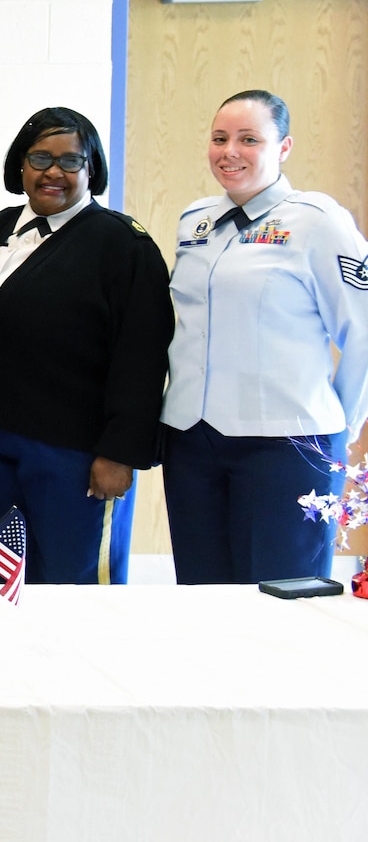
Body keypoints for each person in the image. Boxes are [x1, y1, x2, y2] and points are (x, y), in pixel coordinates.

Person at [0, 107, 173, 585]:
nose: (53, 171)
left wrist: (121, 454)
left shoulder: (123, 247)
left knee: (75, 588)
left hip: (76, 457)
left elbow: (142, 359)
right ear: (20, 165)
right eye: (40, 157)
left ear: (92, 169)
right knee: (12, 583)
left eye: (71, 161)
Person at [161, 90, 368, 584]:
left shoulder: (317, 222)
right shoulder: (197, 221)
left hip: (287, 443)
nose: (229, 151)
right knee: (202, 591)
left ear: (284, 146)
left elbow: (362, 330)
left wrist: (339, 427)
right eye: (220, 138)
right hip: (193, 438)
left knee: (280, 599)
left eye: (249, 139)